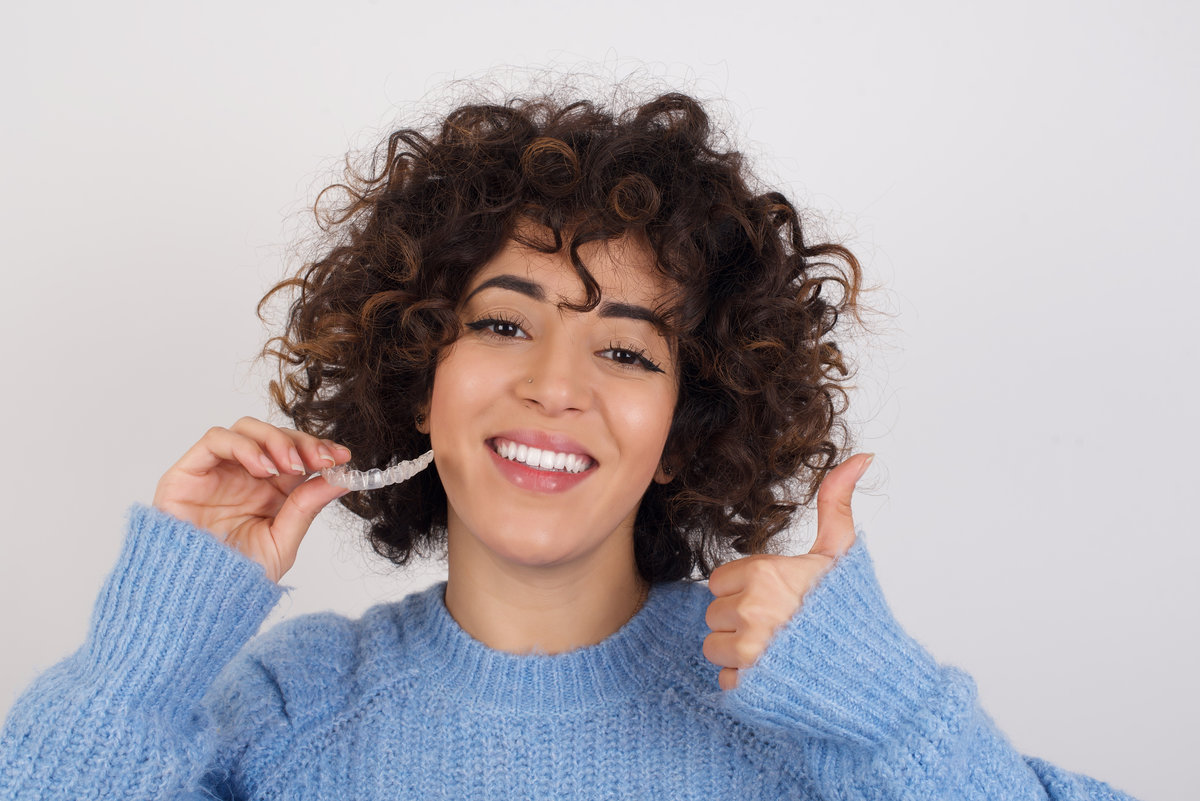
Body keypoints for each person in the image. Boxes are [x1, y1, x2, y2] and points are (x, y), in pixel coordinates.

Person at [0, 90, 1139, 800]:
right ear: (419, 383)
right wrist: (146, 654)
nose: (554, 385)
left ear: (687, 434)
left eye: (629, 353)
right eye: (503, 324)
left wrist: (892, 709)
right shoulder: (289, 715)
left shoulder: (815, 713)